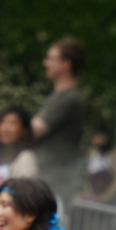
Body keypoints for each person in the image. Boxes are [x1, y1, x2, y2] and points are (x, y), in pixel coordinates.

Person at [32, 36, 88, 190]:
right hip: (47, 179)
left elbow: (34, 131)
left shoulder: (69, 98)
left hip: (54, 182)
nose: (45, 63)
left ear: (65, 65)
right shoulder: (58, 97)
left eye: (50, 59)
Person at [0, 107, 39, 192]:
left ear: (24, 130)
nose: (5, 128)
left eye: (12, 123)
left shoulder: (26, 158)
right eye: (2, 122)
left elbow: (26, 194)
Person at [83, 126, 116, 202]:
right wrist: (86, 193)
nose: (96, 140)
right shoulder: (91, 153)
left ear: (107, 138)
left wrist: (106, 196)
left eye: (99, 137)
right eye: (95, 137)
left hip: (111, 198)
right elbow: (89, 176)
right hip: (93, 196)